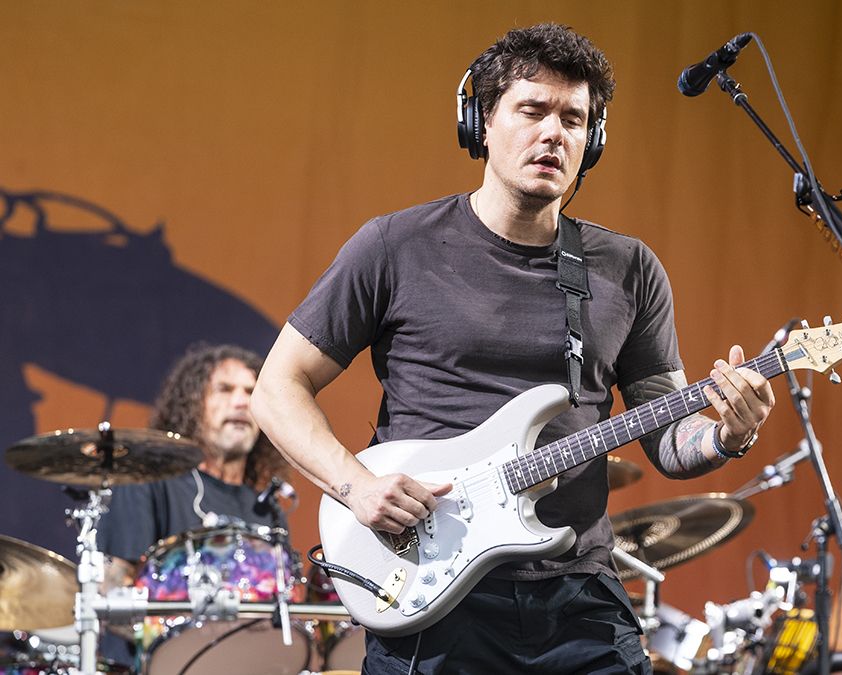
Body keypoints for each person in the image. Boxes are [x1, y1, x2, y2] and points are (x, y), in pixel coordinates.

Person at [251, 22, 776, 674]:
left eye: (575, 119)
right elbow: (276, 388)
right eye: (532, 110)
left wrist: (727, 434)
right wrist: (356, 486)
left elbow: (670, 437)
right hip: (434, 593)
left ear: (594, 142)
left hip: (578, 589)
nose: (554, 132)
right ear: (480, 124)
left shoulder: (628, 268)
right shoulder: (393, 246)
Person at [95, 344, 292, 666]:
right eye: (225, 390)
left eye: (251, 393)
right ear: (191, 405)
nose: (242, 402)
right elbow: (109, 595)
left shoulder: (268, 510)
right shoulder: (149, 482)